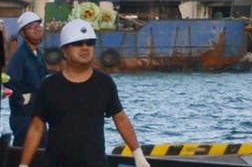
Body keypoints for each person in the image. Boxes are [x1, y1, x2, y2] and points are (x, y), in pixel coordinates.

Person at [18, 18, 151, 167]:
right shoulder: (49, 85)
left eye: (90, 43)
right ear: (64, 50)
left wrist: (137, 153)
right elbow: (37, 127)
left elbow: (120, 119)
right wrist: (24, 164)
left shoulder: (104, 83)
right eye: (78, 44)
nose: (85, 48)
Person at [6, 11, 50, 145]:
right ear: (23, 34)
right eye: (31, 27)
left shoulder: (38, 55)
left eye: (38, 26)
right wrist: (23, 98)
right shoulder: (20, 57)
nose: (37, 30)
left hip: (38, 115)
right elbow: (10, 83)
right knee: (23, 153)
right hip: (24, 119)